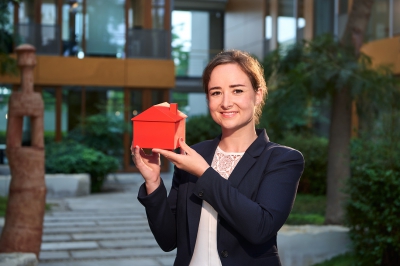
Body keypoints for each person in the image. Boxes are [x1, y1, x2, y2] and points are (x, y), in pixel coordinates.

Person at [132, 49, 304, 266]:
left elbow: (260, 228)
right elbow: (168, 240)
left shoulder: (282, 159)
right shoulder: (193, 155)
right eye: (216, 92)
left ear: (258, 95)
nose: (225, 102)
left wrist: (204, 173)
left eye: (237, 91)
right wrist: (153, 182)